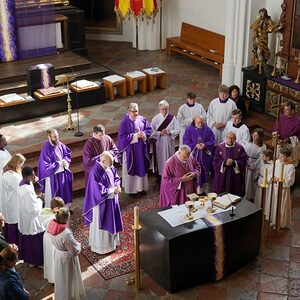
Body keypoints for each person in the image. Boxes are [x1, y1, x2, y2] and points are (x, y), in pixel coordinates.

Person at [83, 151, 123, 254]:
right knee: (102, 225)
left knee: (112, 220)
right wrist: (112, 190)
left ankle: (112, 244)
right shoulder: (95, 171)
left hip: (111, 200)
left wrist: (117, 186)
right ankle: (101, 248)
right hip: (101, 204)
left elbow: (116, 177)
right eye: (110, 162)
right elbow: (97, 191)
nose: (112, 165)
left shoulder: (109, 167)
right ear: (104, 161)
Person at [48, 208, 85, 300]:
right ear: (66, 219)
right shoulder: (65, 233)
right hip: (67, 257)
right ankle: (70, 296)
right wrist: (79, 245)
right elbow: (74, 250)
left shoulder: (51, 226)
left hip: (58, 254)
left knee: (61, 278)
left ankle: (61, 296)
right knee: (68, 279)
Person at [118, 103, 151, 195]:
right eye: (134, 112)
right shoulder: (124, 122)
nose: (136, 113)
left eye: (137, 111)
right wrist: (136, 136)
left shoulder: (142, 119)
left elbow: (149, 129)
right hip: (130, 151)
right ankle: (132, 191)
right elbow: (122, 138)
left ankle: (141, 188)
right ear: (129, 112)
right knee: (132, 169)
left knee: (141, 167)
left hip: (141, 150)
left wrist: (144, 134)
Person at [38, 129, 73, 207]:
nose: (57, 139)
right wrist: (59, 164)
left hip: (62, 175)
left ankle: (64, 210)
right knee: (54, 197)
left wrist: (65, 161)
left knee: (64, 193)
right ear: (49, 137)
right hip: (52, 177)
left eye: (57, 136)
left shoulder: (59, 144)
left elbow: (67, 153)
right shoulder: (46, 148)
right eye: (54, 137)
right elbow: (45, 166)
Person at [18, 167, 45, 268]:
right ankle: (38, 261)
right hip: (31, 217)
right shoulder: (27, 190)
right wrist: (40, 199)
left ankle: (31, 260)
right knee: (35, 238)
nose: (34, 177)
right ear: (26, 176)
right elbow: (33, 209)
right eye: (32, 175)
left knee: (28, 238)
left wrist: (36, 197)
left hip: (24, 215)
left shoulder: (23, 182)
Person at [183, 115, 215, 195]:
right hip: (194, 155)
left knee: (203, 173)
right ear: (194, 121)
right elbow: (185, 141)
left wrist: (205, 145)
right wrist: (195, 145)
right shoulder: (189, 129)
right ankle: (192, 190)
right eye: (198, 123)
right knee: (193, 171)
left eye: (201, 122)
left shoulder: (207, 129)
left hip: (204, 156)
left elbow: (212, 140)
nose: (200, 124)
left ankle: (202, 190)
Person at [213, 131, 249, 197]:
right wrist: (224, 163)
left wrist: (234, 162)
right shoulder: (220, 147)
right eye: (229, 138)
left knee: (234, 194)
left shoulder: (240, 148)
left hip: (234, 176)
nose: (230, 140)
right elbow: (215, 161)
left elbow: (244, 161)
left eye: (232, 138)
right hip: (223, 175)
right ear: (226, 138)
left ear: (235, 139)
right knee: (222, 195)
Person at [150, 100, 179, 178]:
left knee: (169, 159)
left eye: (166, 109)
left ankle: (170, 174)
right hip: (159, 143)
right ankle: (160, 176)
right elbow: (151, 131)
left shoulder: (172, 118)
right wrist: (160, 133)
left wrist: (169, 132)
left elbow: (178, 129)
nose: (165, 111)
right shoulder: (155, 119)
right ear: (159, 109)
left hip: (169, 143)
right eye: (163, 109)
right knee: (161, 160)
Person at [1, 153, 25, 244]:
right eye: (21, 163)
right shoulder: (13, 176)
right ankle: (15, 244)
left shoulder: (6, 172)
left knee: (9, 222)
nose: (21, 166)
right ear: (17, 163)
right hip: (14, 203)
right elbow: (20, 189)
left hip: (8, 202)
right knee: (14, 224)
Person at [39, 197, 65, 283]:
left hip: (47, 237)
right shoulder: (53, 218)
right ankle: (55, 279)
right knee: (54, 258)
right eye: (60, 209)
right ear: (56, 208)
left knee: (49, 258)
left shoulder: (45, 212)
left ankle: (52, 277)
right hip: (53, 238)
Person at [268, 146, 295, 228]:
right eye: (280, 155)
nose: (280, 157)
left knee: (280, 207)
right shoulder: (277, 162)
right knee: (273, 205)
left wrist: (279, 180)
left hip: (283, 190)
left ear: (288, 157)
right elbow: (270, 172)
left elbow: (290, 181)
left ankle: (280, 223)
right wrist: (272, 178)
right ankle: (273, 220)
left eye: (282, 156)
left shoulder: (290, 167)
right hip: (274, 188)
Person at [272, 101, 300, 167]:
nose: (284, 111)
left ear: (292, 111)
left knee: (288, 165)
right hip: (280, 144)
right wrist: (275, 135)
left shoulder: (298, 121)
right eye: (284, 109)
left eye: (287, 109)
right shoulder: (281, 117)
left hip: (290, 146)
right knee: (278, 162)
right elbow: (275, 128)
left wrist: (289, 139)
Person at [250, 8, 277, 74]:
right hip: (257, 38)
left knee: (260, 52)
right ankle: (257, 64)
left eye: (263, 13)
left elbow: (272, 27)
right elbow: (254, 29)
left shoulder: (268, 20)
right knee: (255, 52)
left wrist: (278, 27)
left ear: (265, 13)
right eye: (261, 13)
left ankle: (260, 68)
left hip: (263, 39)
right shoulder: (258, 20)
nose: (262, 15)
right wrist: (256, 37)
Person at [244, 128, 267, 201]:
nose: (253, 137)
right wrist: (245, 162)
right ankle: (244, 193)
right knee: (245, 179)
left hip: (255, 165)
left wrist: (253, 165)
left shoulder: (263, 146)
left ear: (260, 137)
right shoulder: (248, 143)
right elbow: (244, 153)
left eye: (256, 136)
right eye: (253, 135)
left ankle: (251, 196)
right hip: (246, 162)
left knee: (251, 182)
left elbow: (260, 158)